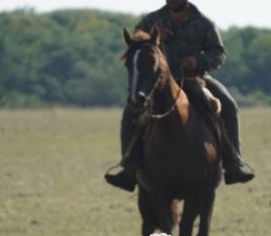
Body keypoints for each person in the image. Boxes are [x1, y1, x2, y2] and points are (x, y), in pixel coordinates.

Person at [105, 0, 255, 192]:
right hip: (157, 83)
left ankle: (233, 164)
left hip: (194, 78)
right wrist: (155, 41)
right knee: (130, 111)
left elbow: (218, 54)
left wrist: (197, 60)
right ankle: (129, 169)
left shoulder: (203, 23)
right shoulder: (150, 21)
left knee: (229, 104)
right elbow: (137, 48)